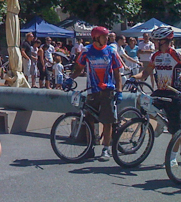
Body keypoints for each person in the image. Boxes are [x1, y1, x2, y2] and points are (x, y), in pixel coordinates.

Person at [63, 26, 122, 161]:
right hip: (92, 91)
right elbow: (79, 68)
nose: (107, 39)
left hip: (107, 90)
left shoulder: (111, 51)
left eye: (107, 36)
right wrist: (70, 78)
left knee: (107, 121)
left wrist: (119, 91)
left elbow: (117, 73)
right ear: (96, 38)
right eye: (104, 36)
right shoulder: (87, 51)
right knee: (89, 120)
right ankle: (90, 148)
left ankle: (106, 149)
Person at [131, 26, 181, 167]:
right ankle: (160, 122)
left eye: (156, 40)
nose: (154, 43)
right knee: (143, 102)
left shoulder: (176, 54)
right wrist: (134, 77)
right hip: (160, 91)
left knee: (175, 129)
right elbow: (146, 72)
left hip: (175, 93)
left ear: (165, 41)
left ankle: (172, 158)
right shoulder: (155, 56)